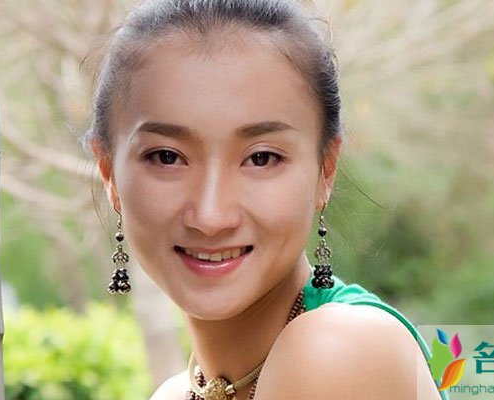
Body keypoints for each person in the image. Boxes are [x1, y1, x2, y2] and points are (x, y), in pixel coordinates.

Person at [84, 0, 445, 399]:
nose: (210, 216)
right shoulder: (176, 393)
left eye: (261, 158)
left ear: (325, 170)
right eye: (167, 157)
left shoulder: (337, 351)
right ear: (109, 173)